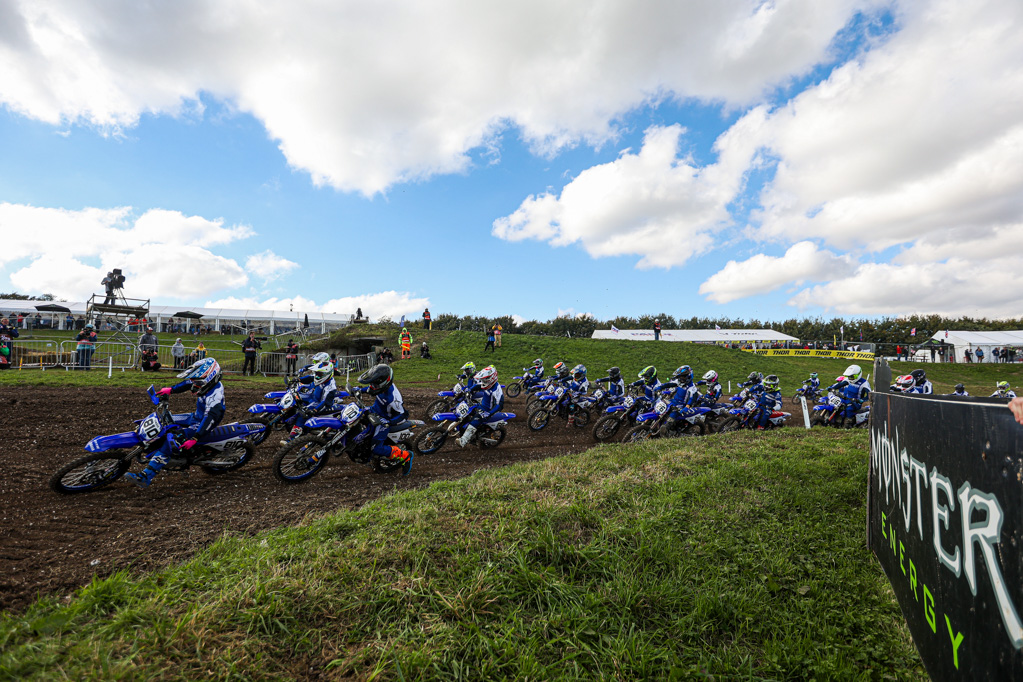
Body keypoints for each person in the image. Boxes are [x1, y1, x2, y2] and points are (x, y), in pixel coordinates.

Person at [125, 358, 225, 488]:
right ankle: (155, 447)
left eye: (197, 382)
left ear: (211, 379)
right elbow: (188, 383)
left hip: (204, 423)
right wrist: (171, 390)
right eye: (195, 381)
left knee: (173, 440)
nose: (194, 385)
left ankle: (146, 476)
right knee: (164, 421)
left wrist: (195, 438)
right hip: (196, 416)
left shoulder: (215, 397)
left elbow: (209, 419)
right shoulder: (205, 383)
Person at [351, 364, 413, 475]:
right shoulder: (380, 386)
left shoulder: (393, 398)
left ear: (384, 383)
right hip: (374, 411)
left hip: (384, 421)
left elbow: (403, 414)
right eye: (372, 383)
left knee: (376, 448)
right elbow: (371, 389)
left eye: (375, 384)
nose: (372, 386)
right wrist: (360, 390)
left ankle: (405, 455)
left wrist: (388, 422)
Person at [280, 360, 338, 445]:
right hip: (313, 398)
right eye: (317, 373)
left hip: (322, 404)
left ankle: (292, 439)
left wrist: (314, 410)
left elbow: (324, 401)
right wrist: (299, 379)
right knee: (297, 401)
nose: (317, 376)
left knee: (303, 414)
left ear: (327, 374)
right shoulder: (320, 376)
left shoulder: (331, 386)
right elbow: (311, 378)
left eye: (319, 374)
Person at [458, 365, 504, 447]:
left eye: (484, 379)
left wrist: (489, 413)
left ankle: (463, 441)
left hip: (488, 410)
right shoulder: (486, 383)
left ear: (491, 378)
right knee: (466, 414)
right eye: (482, 379)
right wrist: (470, 389)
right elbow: (478, 385)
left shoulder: (496, 389)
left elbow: (499, 405)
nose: (483, 381)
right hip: (481, 406)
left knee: (475, 420)